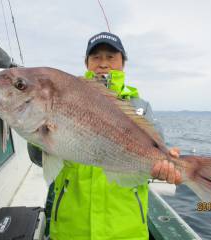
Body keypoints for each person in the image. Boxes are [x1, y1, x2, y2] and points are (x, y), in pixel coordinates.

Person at [28, 32, 181, 240]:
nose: (103, 64)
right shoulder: (65, 98)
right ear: (86, 63)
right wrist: (37, 133)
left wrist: (166, 167)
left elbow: (157, 153)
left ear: (123, 63)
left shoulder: (139, 107)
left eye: (111, 57)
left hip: (126, 231)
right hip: (71, 230)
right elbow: (38, 159)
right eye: (96, 57)